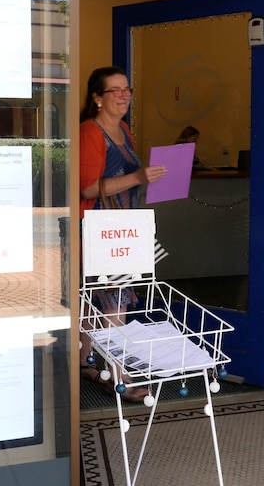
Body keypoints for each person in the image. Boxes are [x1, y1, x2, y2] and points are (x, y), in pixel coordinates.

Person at [79, 66, 166, 402]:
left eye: (126, 89)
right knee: (115, 304)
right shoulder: (91, 131)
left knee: (95, 304)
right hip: (103, 231)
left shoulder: (123, 129)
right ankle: (121, 378)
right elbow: (87, 188)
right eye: (114, 90)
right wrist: (139, 178)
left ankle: (87, 363)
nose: (123, 95)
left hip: (123, 228)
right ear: (97, 98)